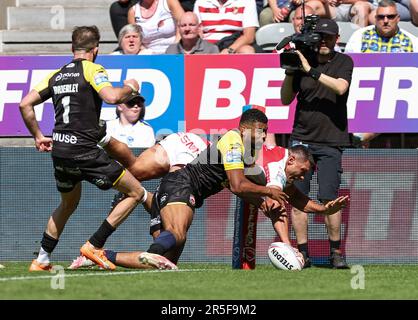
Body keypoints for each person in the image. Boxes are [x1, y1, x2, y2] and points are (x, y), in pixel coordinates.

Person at [19, 25, 174, 272]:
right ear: (96, 50)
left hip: (61, 150)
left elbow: (25, 103)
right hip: (84, 149)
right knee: (135, 191)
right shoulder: (93, 69)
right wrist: (131, 87)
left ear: (73, 48)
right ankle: (94, 245)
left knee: (67, 204)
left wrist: (38, 136)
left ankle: (41, 259)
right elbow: (112, 97)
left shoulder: (57, 75)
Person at [100, 109, 291, 269]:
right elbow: (238, 185)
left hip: (176, 189)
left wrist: (261, 202)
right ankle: (148, 250)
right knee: (176, 234)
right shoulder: (233, 141)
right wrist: (268, 191)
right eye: (260, 131)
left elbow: (233, 186)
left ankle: (102, 255)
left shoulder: (246, 152)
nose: (264, 136)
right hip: (180, 186)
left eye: (266, 131)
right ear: (244, 129)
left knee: (166, 263)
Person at [68, 131, 210, 269]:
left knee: (164, 260)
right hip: (193, 156)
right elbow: (233, 185)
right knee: (169, 241)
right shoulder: (221, 157)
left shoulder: (219, 150)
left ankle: (99, 254)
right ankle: (95, 247)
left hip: (184, 142)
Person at [280, 18, 353, 269]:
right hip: (302, 138)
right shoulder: (303, 60)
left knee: (329, 197)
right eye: (319, 36)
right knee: (298, 198)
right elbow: (284, 99)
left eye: (328, 37)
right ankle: (303, 253)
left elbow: (340, 88)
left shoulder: (344, 62)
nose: (323, 41)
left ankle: (335, 252)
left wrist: (309, 69)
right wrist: (291, 70)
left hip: (332, 139)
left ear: (337, 39)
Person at [256, 144, 349, 247]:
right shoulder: (277, 169)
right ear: (291, 160)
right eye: (303, 170)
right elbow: (273, 204)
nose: (302, 178)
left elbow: (295, 197)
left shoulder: (283, 158)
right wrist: (287, 247)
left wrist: (323, 209)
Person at [345, 0, 418, 52]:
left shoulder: (412, 41)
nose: (385, 21)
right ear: (376, 18)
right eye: (381, 17)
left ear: (398, 18)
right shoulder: (359, 37)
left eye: (390, 17)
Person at [193, 0, 261, 53]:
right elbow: (196, 31)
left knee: (247, 51)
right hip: (208, 46)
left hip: (234, 44)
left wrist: (229, 50)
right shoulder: (200, 2)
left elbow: (249, 36)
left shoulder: (247, 2)